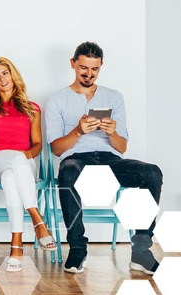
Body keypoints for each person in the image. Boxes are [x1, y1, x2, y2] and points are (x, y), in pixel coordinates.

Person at [46, 42, 162, 275]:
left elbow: (122, 147)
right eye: (84, 68)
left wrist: (112, 133)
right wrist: (78, 131)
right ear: (73, 64)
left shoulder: (114, 97)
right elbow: (57, 149)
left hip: (110, 160)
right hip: (76, 159)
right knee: (67, 170)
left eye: (94, 69)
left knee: (151, 172)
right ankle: (78, 249)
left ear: (100, 67)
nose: (89, 74)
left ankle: (141, 250)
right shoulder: (56, 99)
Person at [0, 57, 56, 272]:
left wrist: (24, 156)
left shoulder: (32, 108)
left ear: (13, 74)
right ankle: (38, 220)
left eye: (5, 73)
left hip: (23, 164)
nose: (2, 79)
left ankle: (16, 246)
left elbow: (37, 145)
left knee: (11, 178)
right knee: (14, 163)